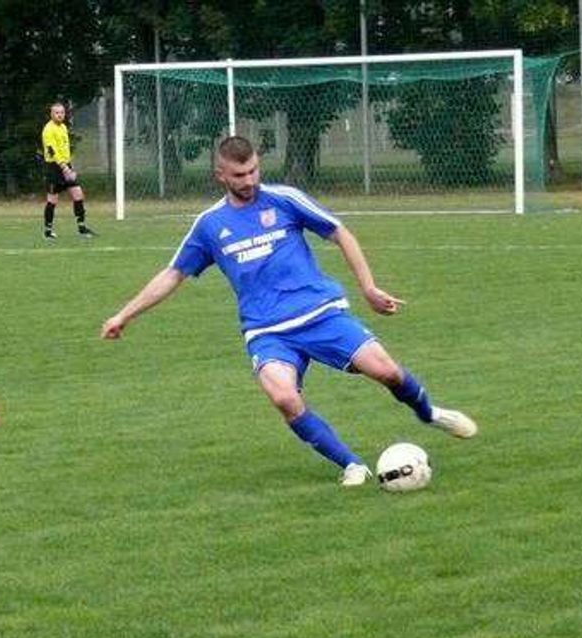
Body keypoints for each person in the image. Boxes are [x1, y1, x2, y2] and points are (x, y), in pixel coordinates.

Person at [100, 135, 476, 486]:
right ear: (220, 175)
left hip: (320, 313)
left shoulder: (284, 199)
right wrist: (124, 315)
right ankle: (351, 464)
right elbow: (173, 274)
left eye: (253, 171)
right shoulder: (210, 225)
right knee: (284, 398)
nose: (249, 180)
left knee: (388, 372)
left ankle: (429, 413)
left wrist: (369, 288)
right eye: (239, 175)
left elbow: (339, 232)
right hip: (267, 331)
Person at [41, 101, 95, 240]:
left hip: (66, 166)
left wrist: (70, 167)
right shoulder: (48, 129)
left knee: (78, 195)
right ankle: (48, 231)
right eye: (57, 113)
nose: (60, 115)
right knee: (53, 200)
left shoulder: (63, 127)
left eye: (62, 113)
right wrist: (65, 168)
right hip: (54, 168)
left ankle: (82, 228)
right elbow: (52, 152)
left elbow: (65, 150)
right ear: (51, 114)